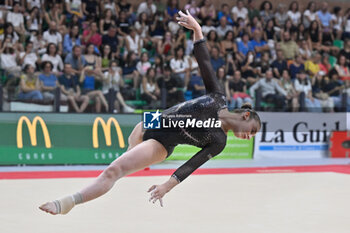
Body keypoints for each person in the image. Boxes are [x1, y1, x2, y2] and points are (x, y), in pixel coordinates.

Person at [39, 10, 261, 215]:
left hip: (162, 144)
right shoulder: (218, 97)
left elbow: (192, 164)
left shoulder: (219, 141)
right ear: (245, 116)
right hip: (154, 120)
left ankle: (68, 203)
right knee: (121, 161)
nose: (247, 136)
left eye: (250, 137)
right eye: (250, 131)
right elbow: (205, 63)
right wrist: (198, 30)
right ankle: (118, 170)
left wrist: (167, 185)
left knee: (113, 171)